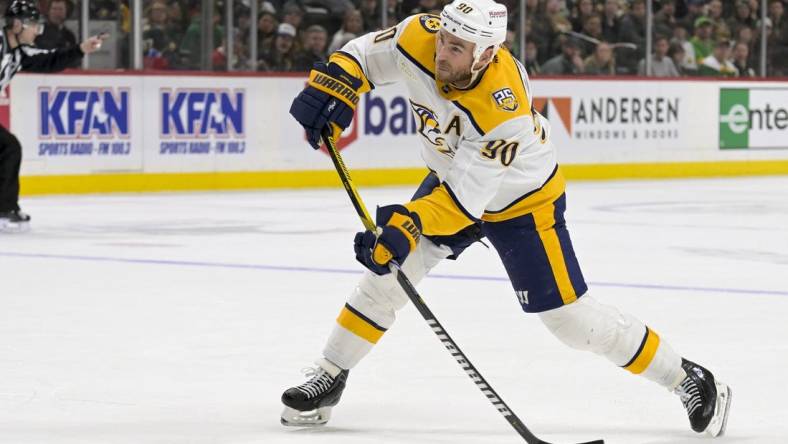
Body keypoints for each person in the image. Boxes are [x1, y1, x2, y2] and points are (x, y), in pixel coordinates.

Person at [282, 0, 732, 438]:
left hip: (522, 204)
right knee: (386, 279)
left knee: (569, 321)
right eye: (444, 39)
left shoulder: (503, 107)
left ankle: (685, 376)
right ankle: (330, 374)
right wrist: (337, 83)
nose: (442, 52)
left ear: (487, 54)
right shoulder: (420, 35)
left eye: (457, 49)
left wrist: (406, 225)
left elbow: (461, 205)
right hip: (451, 178)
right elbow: (363, 55)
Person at [0, 0, 104, 232]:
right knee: (8, 147)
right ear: (16, 25)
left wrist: (81, 49)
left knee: (8, 148)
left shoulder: (20, 52)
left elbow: (50, 60)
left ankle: (5, 209)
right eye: (32, 25)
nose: (37, 30)